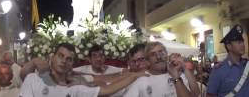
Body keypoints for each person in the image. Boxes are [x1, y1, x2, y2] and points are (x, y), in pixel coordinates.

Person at [19, 43, 147, 97]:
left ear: (72, 65)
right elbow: (23, 74)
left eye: (69, 59)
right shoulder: (33, 79)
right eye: (60, 56)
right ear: (52, 58)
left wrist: (135, 75)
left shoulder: (76, 88)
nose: (64, 61)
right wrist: (34, 61)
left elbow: (107, 89)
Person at [123, 41, 200, 97]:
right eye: (153, 54)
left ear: (166, 55)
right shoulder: (141, 80)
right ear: (147, 61)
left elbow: (196, 94)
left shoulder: (177, 74)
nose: (158, 56)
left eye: (161, 52)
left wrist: (180, 72)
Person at [207, 24, 249, 97]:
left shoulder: (247, 65)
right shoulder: (219, 70)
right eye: (239, 42)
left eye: (242, 42)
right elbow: (210, 95)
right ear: (229, 46)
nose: (243, 45)